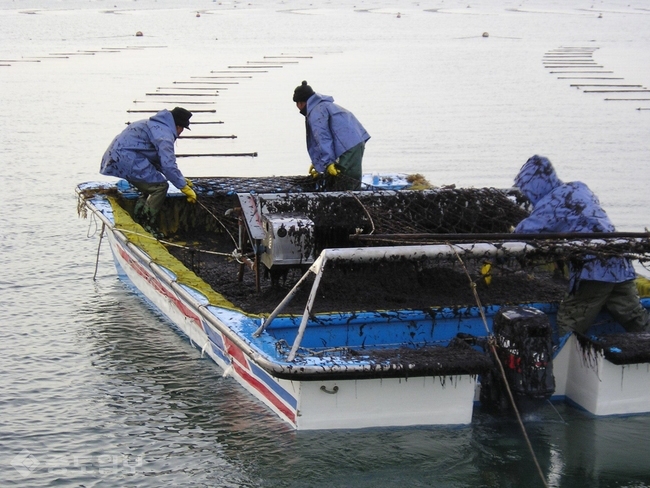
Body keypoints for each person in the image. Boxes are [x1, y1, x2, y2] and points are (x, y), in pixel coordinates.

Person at [513, 154, 648, 337]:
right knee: (636, 319)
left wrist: (501, 247)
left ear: (535, 184)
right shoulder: (579, 188)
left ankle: (563, 363)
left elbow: (523, 233)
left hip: (592, 269)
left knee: (569, 322)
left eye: (526, 188)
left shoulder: (551, 202)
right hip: (619, 262)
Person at [100, 107, 197, 235]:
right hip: (127, 159)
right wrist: (183, 187)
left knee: (149, 186)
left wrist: (180, 178)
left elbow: (159, 161)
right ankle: (147, 226)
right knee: (160, 187)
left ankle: (139, 219)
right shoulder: (164, 135)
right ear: (177, 126)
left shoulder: (155, 125)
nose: (181, 132)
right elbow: (168, 165)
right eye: (182, 128)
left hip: (118, 156)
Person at [292, 80, 370, 191]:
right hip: (353, 142)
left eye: (297, 104)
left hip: (349, 146)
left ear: (300, 103)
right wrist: (318, 162)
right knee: (338, 181)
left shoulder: (316, 111)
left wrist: (328, 163)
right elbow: (321, 139)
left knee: (346, 183)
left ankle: (349, 207)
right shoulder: (322, 105)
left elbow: (322, 137)